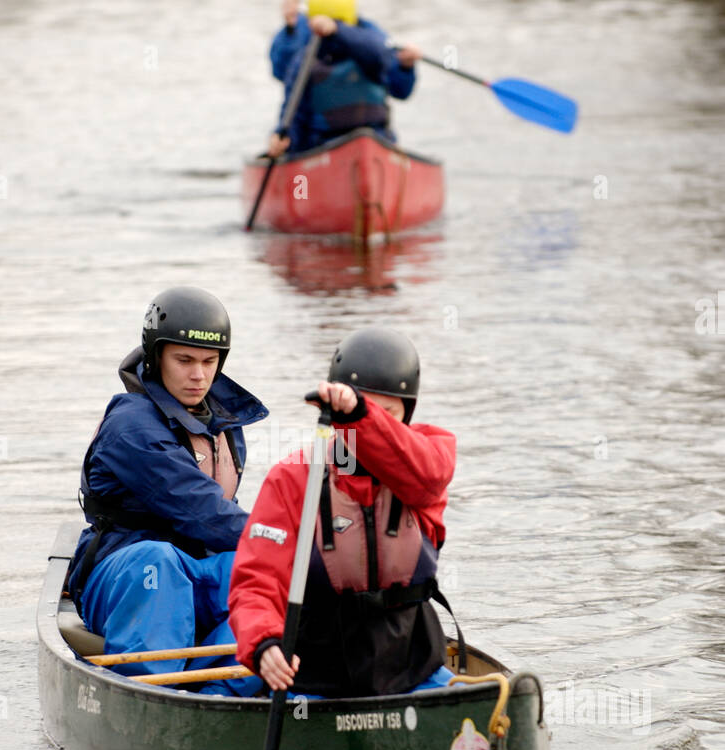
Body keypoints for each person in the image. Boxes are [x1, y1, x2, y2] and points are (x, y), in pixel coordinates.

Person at [229, 327, 457, 698]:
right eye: (367, 410)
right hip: (317, 673)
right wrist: (265, 643)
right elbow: (257, 582)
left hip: (413, 667)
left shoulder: (430, 459)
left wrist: (362, 416)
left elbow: (426, 474)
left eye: (388, 414)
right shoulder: (293, 478)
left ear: (407, 414)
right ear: (336, 417)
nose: (373, 426)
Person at [67, 286, 267, 685]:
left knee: (257, 574)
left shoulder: (221, 424)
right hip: (126, 569)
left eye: (210, 362)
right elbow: (202, 511)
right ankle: (154, 688)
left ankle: (222, 689)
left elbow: (227, 525)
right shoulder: (131, 427)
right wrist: (283, 542)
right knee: (158, 564)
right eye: (185, 360)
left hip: (194, 566)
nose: (199, 375)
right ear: (157, 356)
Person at [267, 0, 422, 158]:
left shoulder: (369, 44)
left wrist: (337, 30)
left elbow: (380, 56)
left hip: (376, 139)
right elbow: (294, 113)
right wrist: (284, 137)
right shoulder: (303, 60)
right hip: (321, 147)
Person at [269, 0, 420, 98]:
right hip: (316, 121)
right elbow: (281, 72)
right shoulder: (300, 28)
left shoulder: (369, 32)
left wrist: (405, 67)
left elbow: (400, 90)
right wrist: (291, 30)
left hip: (365, 120)